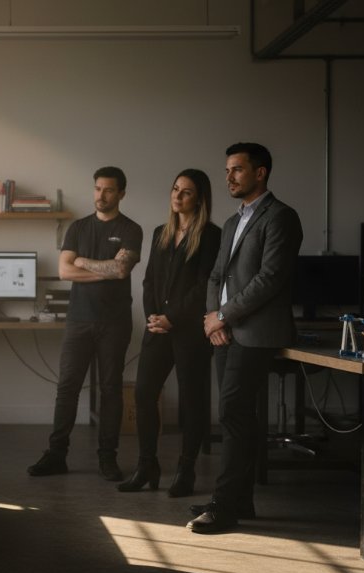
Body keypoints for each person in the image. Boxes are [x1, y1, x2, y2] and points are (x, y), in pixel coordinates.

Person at [187, 142, 303, 533]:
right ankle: (241, 500)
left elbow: (268, 280)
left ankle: (224, 506)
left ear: (261, 172)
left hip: (255, 334)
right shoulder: (234, 222)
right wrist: (213, 319)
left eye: (237, 169)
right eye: (227, 170)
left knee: (233, 415)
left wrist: (223, 315)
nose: (229, 177)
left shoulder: (281, 217)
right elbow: (216, 275)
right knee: (238, 417)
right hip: (225, 331)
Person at [27, 167, 142, 481]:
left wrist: (81, 261)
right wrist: (100, 268)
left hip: (115, 322)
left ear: (121, 193)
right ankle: (56, 455)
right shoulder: (78, 227)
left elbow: (121, 270)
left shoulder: (132, 229)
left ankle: (108, 457)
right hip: (79, 319)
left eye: (108, 190)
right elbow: (65, 272)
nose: (101, 196)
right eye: (97, 189)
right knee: (67, 388)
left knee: (110, 390)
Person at [118, 169, 221, 497]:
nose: (177, 196)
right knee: (144, 394)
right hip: (158, 329)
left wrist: (172, 318)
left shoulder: (211, 235)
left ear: (199, 198)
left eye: (186, 192)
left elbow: (203, 284)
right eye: (175, 189)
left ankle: (186, 469)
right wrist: (153, 317)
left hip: (190, 331)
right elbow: (149, 280)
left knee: (192, 402)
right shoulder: (161, 231)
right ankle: (147, 465)